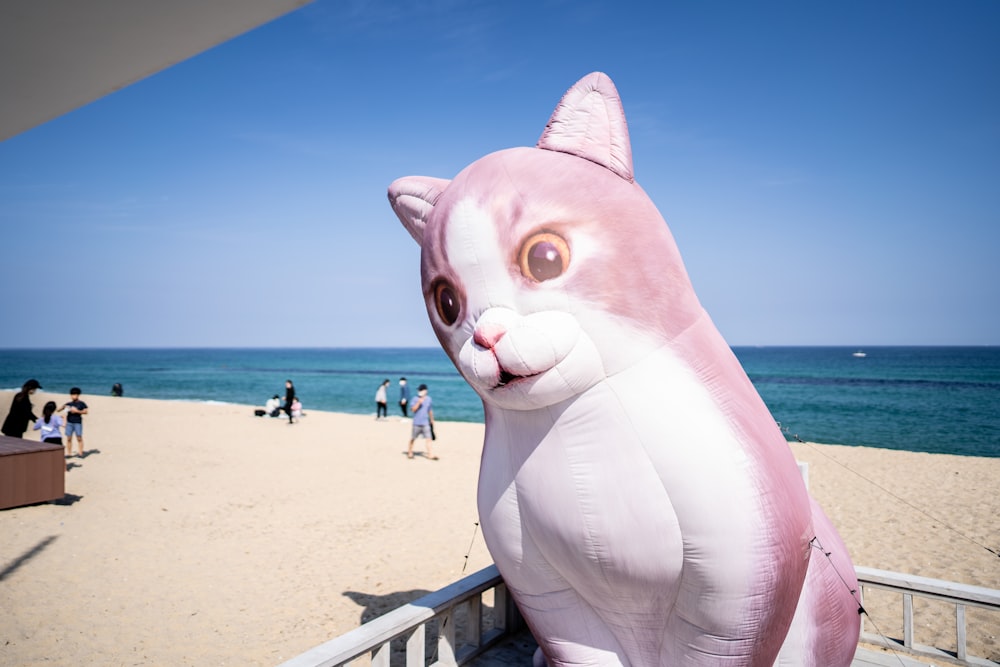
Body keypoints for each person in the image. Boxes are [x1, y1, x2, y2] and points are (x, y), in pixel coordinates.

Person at [406, 384, 437, 460]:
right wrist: (419, 402)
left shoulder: (429, 399)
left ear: (425, 391)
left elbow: (429, 410)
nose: (419, 392)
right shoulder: (415, 399)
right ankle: (410, 452)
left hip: (425, 422)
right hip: (416, 423)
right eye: (419, 390)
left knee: (429, 438)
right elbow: (413, 409)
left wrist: (432, 419)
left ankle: (430, 454)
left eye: (421, 390)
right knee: (413, 438)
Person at [62, 387, 89, 457]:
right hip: (69, 422)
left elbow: (86, 411)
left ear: (78, 395)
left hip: (77, 422)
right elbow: (59, 410)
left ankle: (80, 452)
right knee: (68, 438)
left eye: (75, 395)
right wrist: (63, 407)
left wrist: (77, 411)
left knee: (79, 437)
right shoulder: (68, 404)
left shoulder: (82, 403)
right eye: (72, 395)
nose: (74, 396)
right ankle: (69, 453)